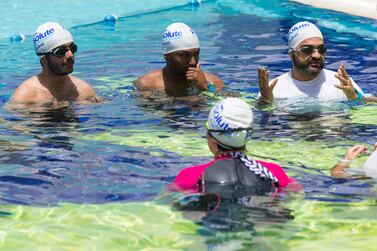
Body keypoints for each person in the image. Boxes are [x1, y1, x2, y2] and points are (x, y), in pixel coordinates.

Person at [170, 97, 301, 197]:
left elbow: (166, 202)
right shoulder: (275, 173)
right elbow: (297, 194)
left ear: (212, 140)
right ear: (247, 136)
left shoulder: (190, 176)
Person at [258, 21, 376, 104]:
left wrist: (356, 99)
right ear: (291, 54)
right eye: (307, 50)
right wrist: (266, 102)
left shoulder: (341, 83)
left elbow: (371, 107)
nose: (316, 55)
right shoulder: (274, 90)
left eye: (321, 49)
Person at [10, 22, 99, 105]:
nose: (70, 55)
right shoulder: (26, 97)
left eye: (72, 48)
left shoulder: (83, 91)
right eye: (60, 51)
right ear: (44, 59)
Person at [135, 22, 224, 96]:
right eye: (185, 55)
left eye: (196, 54)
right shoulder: (147, 84)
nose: (193, 62)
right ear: (167, 57)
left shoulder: (214, 82)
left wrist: (206, 87)